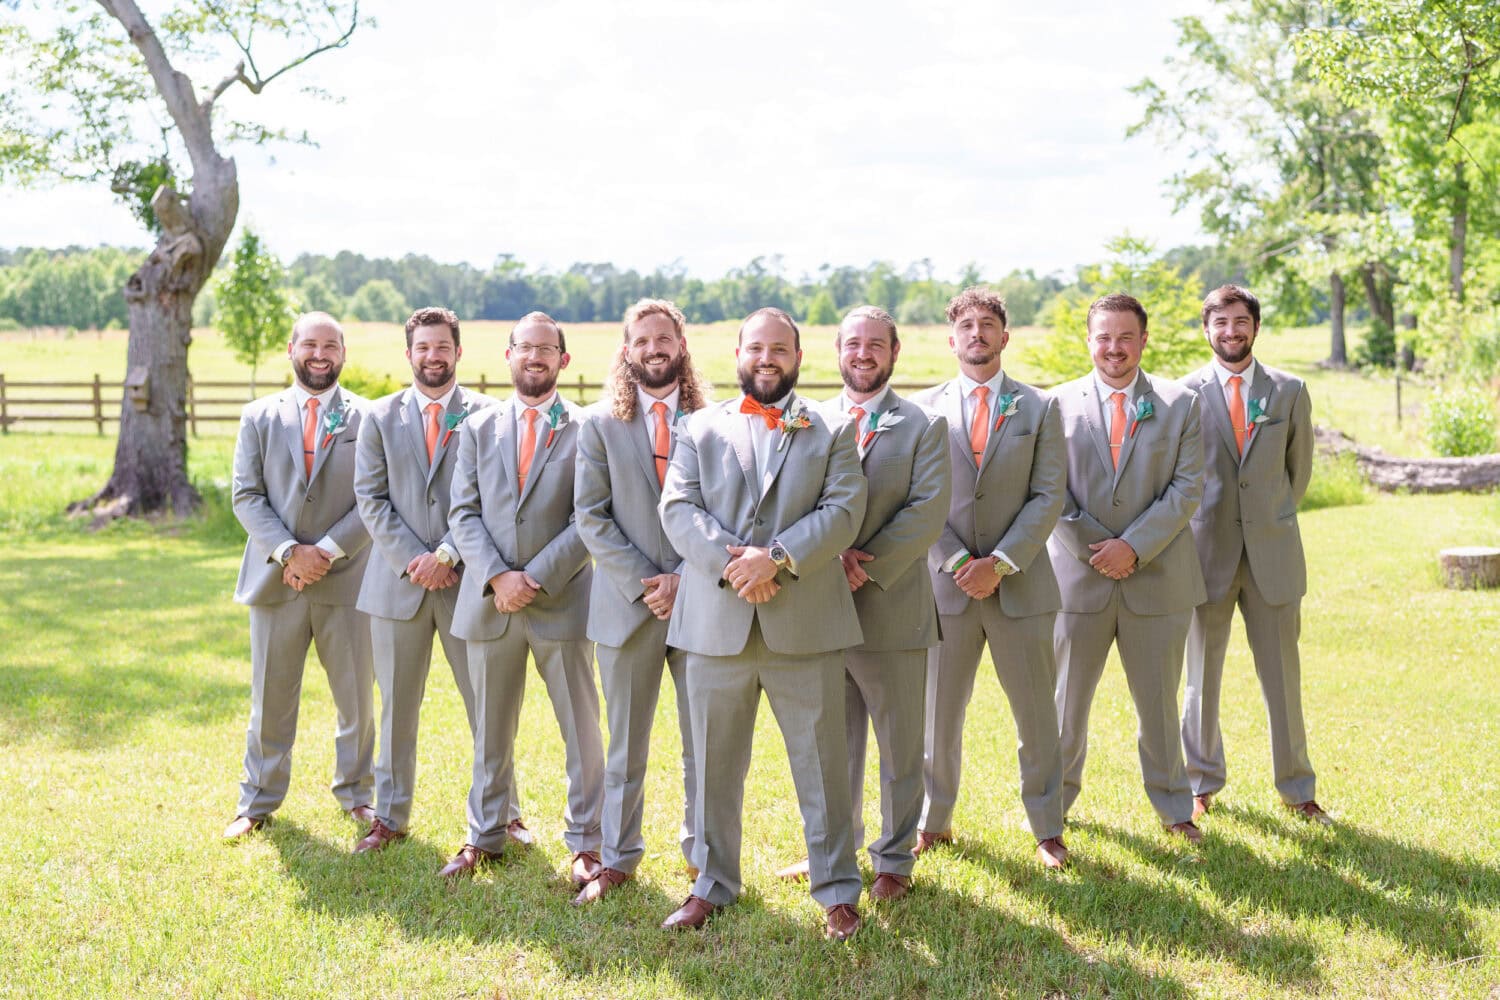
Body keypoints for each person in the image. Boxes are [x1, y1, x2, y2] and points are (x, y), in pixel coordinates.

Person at [658, 307, 867, 940]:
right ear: (739, 354)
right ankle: (712, 885)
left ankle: (835, 891)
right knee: (711, 764)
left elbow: (845, 507)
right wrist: (737, 568)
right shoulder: (698, 426)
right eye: (756, 348)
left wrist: (775, 558)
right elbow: (679, 507)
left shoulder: (831, 427)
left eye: (780, 349)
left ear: (799, 358)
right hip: (715, 624)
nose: (767, 359)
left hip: (805, 623)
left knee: (824, 766)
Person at [765, 305, 949, 900]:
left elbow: (926, 513)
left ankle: (894, 860)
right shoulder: (806, 422)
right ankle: (832, 854)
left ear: (894, 354)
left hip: (892, 608)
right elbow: (792, 506)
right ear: (836, 352)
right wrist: (825, 556)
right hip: (820, 611)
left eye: (875, 344)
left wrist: (860, 563)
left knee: (899, 748)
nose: (863, 354)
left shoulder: (924, 425)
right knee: (829, 747)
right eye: (852, 344)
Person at [351, 307, 530, 854]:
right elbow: (371, 500)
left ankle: (504, 815)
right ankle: (389, 815)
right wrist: (414, 559)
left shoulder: (491, 415)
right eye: (423, 347)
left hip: (469, 583)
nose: (433, 356)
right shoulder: (378, 418)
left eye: (442, 347)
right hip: (397, 585)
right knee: (396, 708)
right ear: (409, 355)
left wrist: (449, 553)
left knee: (487, 707)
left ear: (458, 351)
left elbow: (493, 500)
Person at [912, 287, 1071, 868]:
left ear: (1005, 336)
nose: (977, 334)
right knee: (937, 714)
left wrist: (1000, 562)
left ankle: (1048, 828)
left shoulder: (1041, 408)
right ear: (952, 338)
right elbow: (918, 499)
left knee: (1036, 716)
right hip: (943, 591)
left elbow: (1048, 494)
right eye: (967, 325)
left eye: (988, 325)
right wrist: (957, 562)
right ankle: (933, 821)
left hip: (1021, 588)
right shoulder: (922, 410)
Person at [445, 312, 603, 881]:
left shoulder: (589, 430)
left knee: (581, 729)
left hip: (560, 599)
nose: (534, 357)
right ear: (507, 355)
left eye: (546, 349)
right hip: (489, 600)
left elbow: (590, 517)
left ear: (563, 360)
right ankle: (484, 835)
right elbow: (461, 512)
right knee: (489, 728)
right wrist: (496, 576)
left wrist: (532, 577)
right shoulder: (476, 428)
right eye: (524, 348)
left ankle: (587, 841)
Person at [1047, 293, 1207, 842]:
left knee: (1161, 705)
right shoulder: (1055, 405)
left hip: (1158, 578)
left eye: (1125, 337)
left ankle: (1174, 807)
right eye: (1103, 337)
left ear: (1143, 340)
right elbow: (1049, 492)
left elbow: (1187, 489)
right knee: (1065, 705)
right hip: (1075, 578)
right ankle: (1053, 811)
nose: (1113, 348)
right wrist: (1100, 548)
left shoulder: (1180, 403)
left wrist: (1134, 547)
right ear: (1089, 340)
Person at [571, 298, 711, 904]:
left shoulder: (714, 421)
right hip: (628, 608)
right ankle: (619, 856)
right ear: (626, 351)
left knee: (702, 741)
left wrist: (685, 576)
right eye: (642, 340)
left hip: (703, 605)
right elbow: (591, 517)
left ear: (680, 345)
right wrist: (649, 582)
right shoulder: (599, 425)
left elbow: (722, 512)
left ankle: (704, 854)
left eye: (664, 338)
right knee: (625, 743)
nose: (654, 348)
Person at [1179, 285, 1328, 825]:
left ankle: (1298, 789)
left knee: (1284, 680)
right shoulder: (1183, 394)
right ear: (1207, 330)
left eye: (1240, 322)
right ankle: (1199, 783)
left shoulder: (1290, 391)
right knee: (1200, 679)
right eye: (1220, 323)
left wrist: (1267, 519)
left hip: (1273, 557)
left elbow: (1298, 474)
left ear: (1255, 327)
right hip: (1204, 554)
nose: (1231, 332)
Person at [224, 311, 374, 839]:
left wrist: (325, 553)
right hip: (276, 580)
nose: (319, 354)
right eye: (309, 344)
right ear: (291, 348)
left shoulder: (367, 418)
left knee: (355, 697)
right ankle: (257, 802)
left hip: (348, 579)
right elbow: (246, 496)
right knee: (270, 697)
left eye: (330, 345)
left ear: (342, 353)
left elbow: (373, 500)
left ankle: (358, 795)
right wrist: (291, 552)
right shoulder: (259, 416)